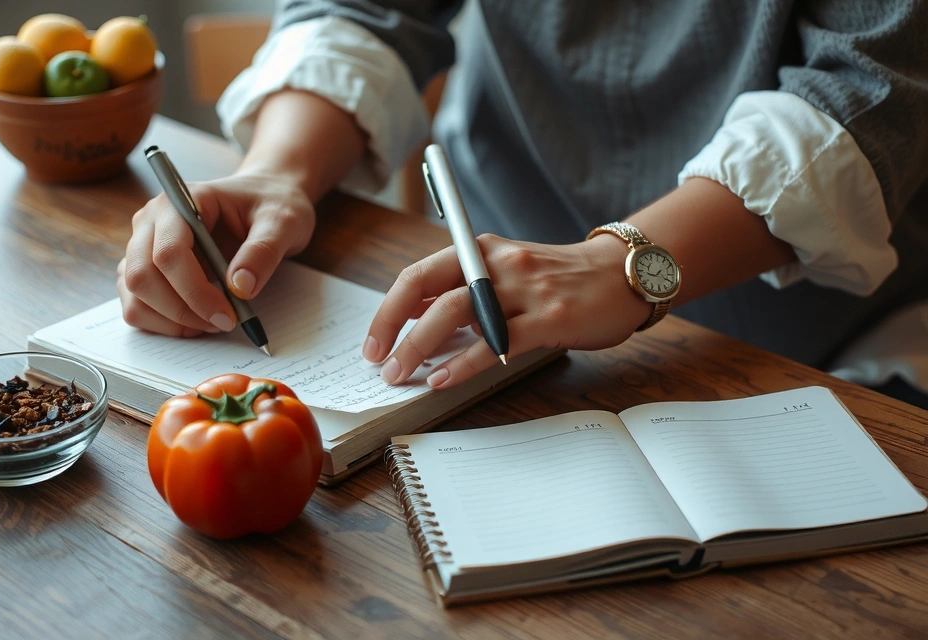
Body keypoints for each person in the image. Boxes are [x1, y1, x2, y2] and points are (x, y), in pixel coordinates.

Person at [117, 1, 928, 405]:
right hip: (488, 319)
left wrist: (617, 265)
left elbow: (869, 90)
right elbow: (366, 9)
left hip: (827, 351)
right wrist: (279, 172)